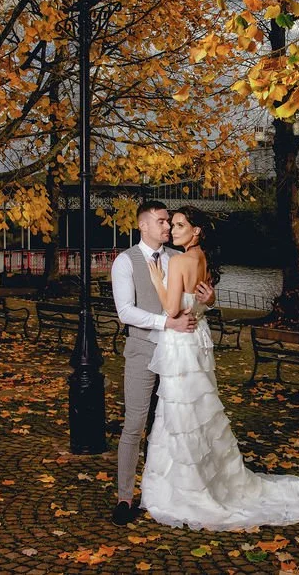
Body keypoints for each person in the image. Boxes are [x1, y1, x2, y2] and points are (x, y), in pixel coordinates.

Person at [139, 206, 299, 531]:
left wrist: (156, 279)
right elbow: (199, 301)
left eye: (180, 225)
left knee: (182, 410)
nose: (173, 230)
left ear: (196, 232)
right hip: (198, 340)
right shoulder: (202, 259)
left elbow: (170, 308)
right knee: (194, 410)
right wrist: (208, 302)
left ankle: (188, 488)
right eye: (173, 224)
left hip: (182, 342)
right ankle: (196, 478)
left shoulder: (179, 261)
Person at [110, 200, 215, 526]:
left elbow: (192, 303)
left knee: (171, 426)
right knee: (134, 425)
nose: (168, 227)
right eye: (161, 222)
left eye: (170, 222)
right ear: (143, 225)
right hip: (143, 353)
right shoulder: (124, 262)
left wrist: (209, 300)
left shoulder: (178, 257)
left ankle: (163, 492)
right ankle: (125, 497)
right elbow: (125, 312)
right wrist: (166, 323)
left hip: (176, 355)